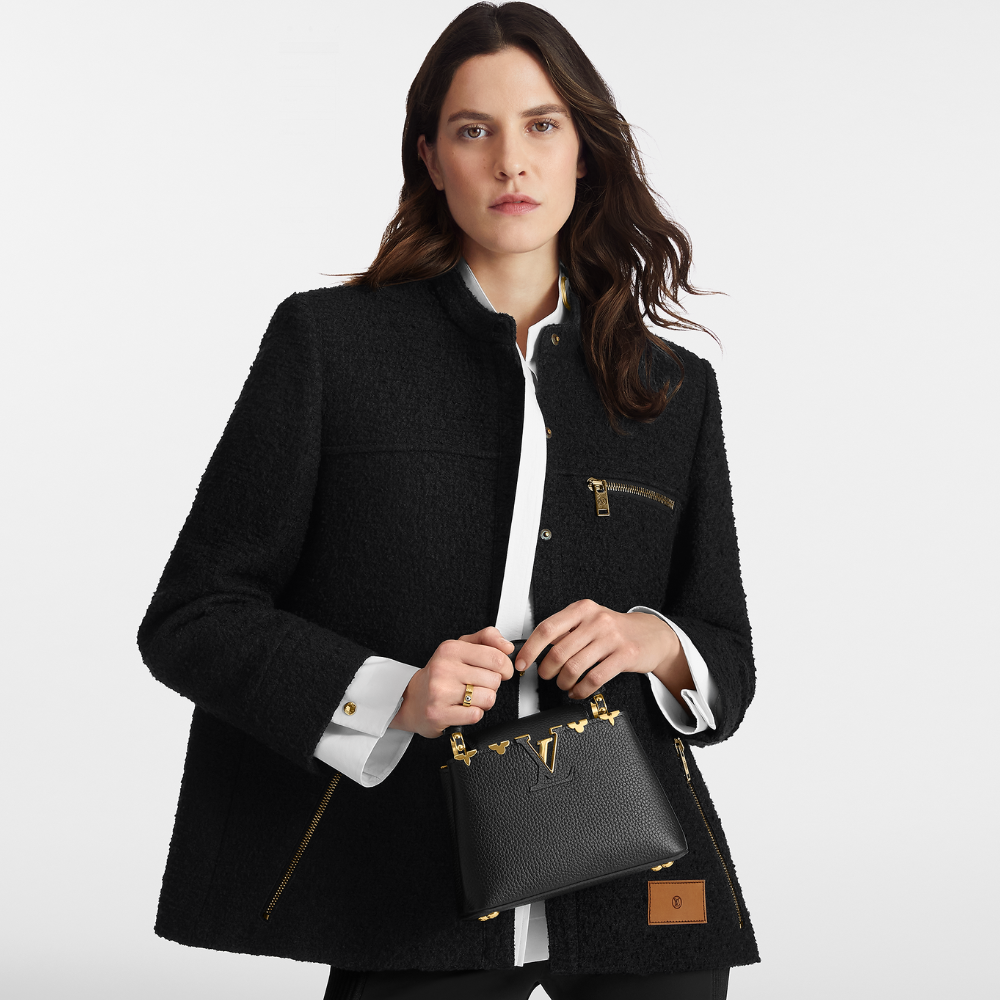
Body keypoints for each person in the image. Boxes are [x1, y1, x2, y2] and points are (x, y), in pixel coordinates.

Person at [137, 3, 759, 997]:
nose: (511, 162)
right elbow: (193, 618)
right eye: (475, 130)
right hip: (411, 883)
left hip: (641, 884)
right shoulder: (330, 346)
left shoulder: (670, 387)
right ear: (431, 157)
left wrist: (653, 640)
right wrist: (392, 694)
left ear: (584, 152)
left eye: (541, 125)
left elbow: (725, 652)